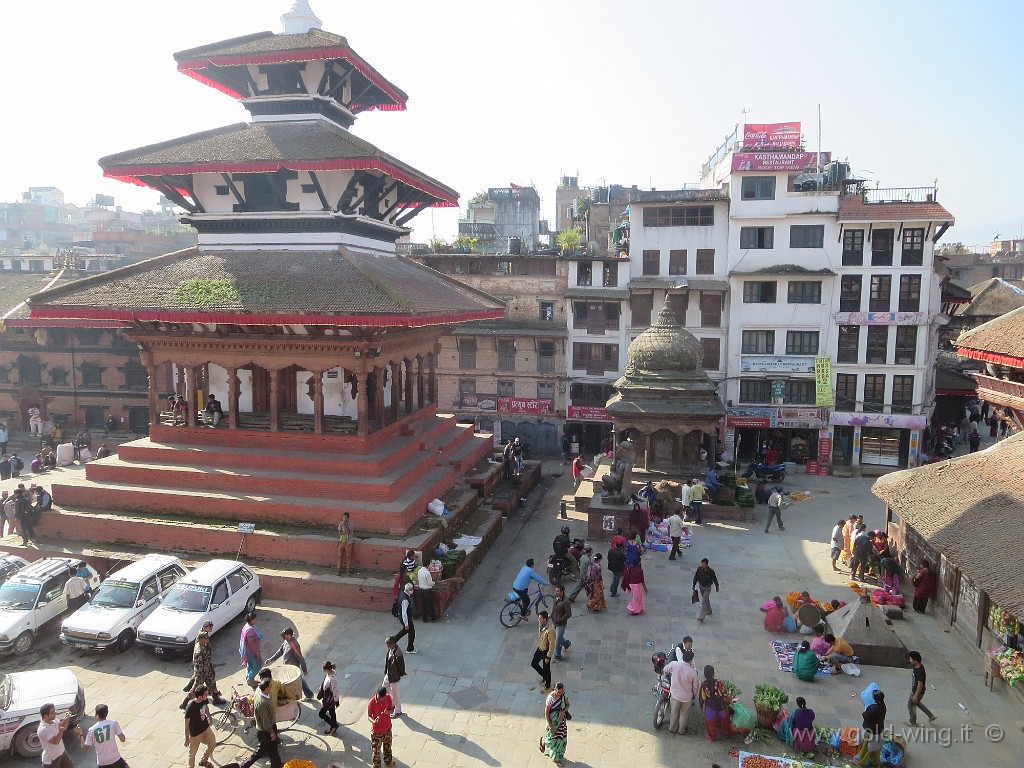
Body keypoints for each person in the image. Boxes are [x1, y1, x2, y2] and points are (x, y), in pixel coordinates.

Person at [239, 678, 282, 768]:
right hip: (265, 730)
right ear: (266, 689)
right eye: (270, 686)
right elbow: (265, 721)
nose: (272, 687)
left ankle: (276, 765)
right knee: (261, 751)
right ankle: (244, 765)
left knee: (273, 749)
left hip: (268, 727)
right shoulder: (262, 702)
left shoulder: (262, 695)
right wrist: (271, 732)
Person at [182, 626, 227, 710]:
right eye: (206, 638)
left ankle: (216, 699)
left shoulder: (203, 644)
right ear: (201, 639)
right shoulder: (198, 651)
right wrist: (200, 676)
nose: (208, 640)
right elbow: (198, 665)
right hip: (202, 673)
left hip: (208, 670)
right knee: (195, 689)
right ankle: (185, 703)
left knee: (212, 684)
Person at [265, 627, 315, 700]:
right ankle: (307, 694)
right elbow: (280, 651)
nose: (284, 636)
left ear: (289, 635)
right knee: (297, 680)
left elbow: (300, 658)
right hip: (286, 666)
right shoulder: (286, 641)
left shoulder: (294, 645)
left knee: (299, 680)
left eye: (285, 635)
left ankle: (307, 694)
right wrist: (271, 659)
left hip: (293, 668)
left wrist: (305, 670)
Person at [662, 649, 699, 734]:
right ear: (691, 660)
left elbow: (665, 670)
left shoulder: (674, 664)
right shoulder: (693, 672)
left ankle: (672, 728)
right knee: (683, 714)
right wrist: (693, 694)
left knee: (674, 712)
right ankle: (681, 730)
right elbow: (695, 686)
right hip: (687, 698)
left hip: (675, 695)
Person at [80, 704, 127, 768]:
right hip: (116, 758)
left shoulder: (91, 730)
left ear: (97, 715)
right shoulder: (113, 723)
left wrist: (80, 735)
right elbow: (122, 739)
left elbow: (85, 749)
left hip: (102, 762)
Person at [38, 702, 81, 768]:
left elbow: (63, 727)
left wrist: (67, 718)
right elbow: (56, 741)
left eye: (55, 710)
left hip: (61, 752)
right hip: (52, 759)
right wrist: (61, 730)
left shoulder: (54, 720)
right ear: (45, 716)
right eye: (52, 712)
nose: (55, 712)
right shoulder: (44, 729)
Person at [184, 685, 217, 768]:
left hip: (205, 728)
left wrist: (209, 717)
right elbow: (186, 724)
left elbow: (206, 709)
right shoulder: (191, 706)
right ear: (199, 697)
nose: (207, 695)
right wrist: (187, 738)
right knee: (192, 754)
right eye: (205, 694)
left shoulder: (204, 700)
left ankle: (204, 760)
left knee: (212, 744)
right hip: (195, 733)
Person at [698, 665, 732, 742]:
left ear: (704, 675)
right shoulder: (719, 682)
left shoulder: (703, 685)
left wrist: (701, 706)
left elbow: (702, 697)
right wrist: (730, 701)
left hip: (710, 708)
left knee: (710, 722)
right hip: (721, 706)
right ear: (713, 673)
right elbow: (725, 693)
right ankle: (727, 734)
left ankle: (712, 736)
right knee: (725, 720)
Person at [540, 681, 571, 766]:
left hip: (562, 723)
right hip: (553, 723)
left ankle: (556, 758)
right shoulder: (550, 698)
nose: (560, 694)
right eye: (558, 692)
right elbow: (546, 713)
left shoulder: (563, 695)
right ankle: (544, 741)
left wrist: (563, 711)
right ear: (555, 690)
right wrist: (550, 725)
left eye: (561, 692)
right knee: (552, 740)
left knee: (561, 740)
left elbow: (568, 704)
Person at [906, 650, 937, 727]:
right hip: (918, 690)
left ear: (915, 660)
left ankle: (912, 721)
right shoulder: (920, 667)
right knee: (916, 703)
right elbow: (923, 680)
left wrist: (916, 695)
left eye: (910, 659)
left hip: (916, 691)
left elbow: (920, 684)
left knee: (911, 705)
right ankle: (931, 716)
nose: (910, 660)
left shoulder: (919, 671)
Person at [367, 686, 396, 768]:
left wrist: (388, 712)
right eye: (379, 698)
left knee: (388, 747)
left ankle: (388, 761)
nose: (381, 700)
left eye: (382, 698)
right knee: (376, 751)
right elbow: (369, 716)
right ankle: (376, 766)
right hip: (377, 731)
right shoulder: (371, 702)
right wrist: (374, 721)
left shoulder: (388, 697)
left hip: (387, 728)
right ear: (377, 694)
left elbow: (392, 710)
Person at [857, 689, 886, 767]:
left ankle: (861, 762)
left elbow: (866, 716)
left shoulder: (873, 708)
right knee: (875, 749)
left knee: (866, 748)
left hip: (871, 730)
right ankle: (875, 762)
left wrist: (864, 712)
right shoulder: (883, 706)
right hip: (878, 730)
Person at [380, 636, 408, 718]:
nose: (387, 645)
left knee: (395, 694)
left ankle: (398, 710)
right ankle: (390, 704)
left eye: (388, 643)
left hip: (394, 676)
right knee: (384, 689)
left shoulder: (398, 653)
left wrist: (400, 674)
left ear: (393, 644)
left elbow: (401, 666)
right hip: (389, 674)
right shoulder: (390, 650)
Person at [531, 611, 554, 690]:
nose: (538, 619)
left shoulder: (550, 630)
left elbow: (552, 644)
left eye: (540, 618)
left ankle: (547, 685)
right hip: (540, 648)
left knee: (546, 669)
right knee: (533, 663)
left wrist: (548, 656)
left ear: (545, 619)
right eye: (539, 618)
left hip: (545, 651)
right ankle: (544, 676)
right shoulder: (540, 625)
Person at [239, 611, 263, 688]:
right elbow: (251, 643)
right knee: (257, 666)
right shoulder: (250, 630)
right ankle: (250, 679)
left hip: (247, 651)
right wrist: (257, 652)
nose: (256, 620)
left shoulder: (247, 626)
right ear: (252, 620)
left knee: (250, 665)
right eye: (255, 619)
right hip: (251, 651)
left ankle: (249, 677)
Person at [692, 558, 719, 623]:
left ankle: (701, 616)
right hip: (701, 586)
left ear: (707, 564)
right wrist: (693, 585)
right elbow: (696, 577)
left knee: (704, 600)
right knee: (706, 599)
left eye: (704, 564)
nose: (702, 565)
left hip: (707, 588)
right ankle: (709, 610)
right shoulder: (699, 569)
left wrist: (717, 586)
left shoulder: (711, 571)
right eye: (702, 564)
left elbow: (715, 579)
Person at [393, 582, 417, 653]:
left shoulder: (403, 594)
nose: (412, 591)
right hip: (405, 618)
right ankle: (410, 648)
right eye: (411, 589)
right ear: (407, 590)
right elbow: (404, 613)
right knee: (411, 632)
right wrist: (406, 624)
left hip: (403, 617)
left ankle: (393, 640)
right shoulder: (405, 600)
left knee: (406, 631)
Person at [550, 585, 573, 661]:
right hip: (554, 621)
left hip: (561, 624)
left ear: (562, 592)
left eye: (557, 591)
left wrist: (560, 619)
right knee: (557, 637)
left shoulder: (565, 602)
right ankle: (567, 643)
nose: (555, 592)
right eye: (555, 591)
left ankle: (557, 656)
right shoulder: (556, 598)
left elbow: (568, 614)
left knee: (558, 640)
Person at [317, 661, 340, 736]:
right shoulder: (329, 674)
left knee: (321, 714)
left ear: (327, 669)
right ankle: (333, 727)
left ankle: (333, 725)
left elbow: (335, 690)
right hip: (328, 697)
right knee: (332, 712)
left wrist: (336, 701)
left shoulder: (332, 679)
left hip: (329, 700)